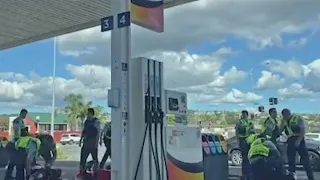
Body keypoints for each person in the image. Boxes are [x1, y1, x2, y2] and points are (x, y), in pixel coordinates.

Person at [280, 109, 314, 180]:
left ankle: (311, 178)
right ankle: (291, 177)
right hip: (290, 140)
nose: (284, 117)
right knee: (291, 161)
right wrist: (282, 123)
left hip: (299, 140)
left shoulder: (297, 118)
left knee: (305, 161)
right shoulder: (284, 121)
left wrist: (298, 141)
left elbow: (302, 130)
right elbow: (280, 130)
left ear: (287, 114)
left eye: (285, 116)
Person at [78, 108, 101, 179]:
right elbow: (84, 131)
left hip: (93, 142)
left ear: (91, 113)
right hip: (86, 142)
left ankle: (96, 173)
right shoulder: (86, 122)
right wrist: (80, 139)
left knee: (94, 158)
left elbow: (98, 132)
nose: (87, 115)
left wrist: (97, 142)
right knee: (83, 158)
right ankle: (82, 172)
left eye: (88, 113)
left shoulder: (96, 121)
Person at [235, 110, 255, 180]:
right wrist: (237, 141)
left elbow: (253, 131)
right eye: (243, 114)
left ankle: (249, 172)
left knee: (249, 157)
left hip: (249, 140)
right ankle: (244, 173)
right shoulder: (239, 122)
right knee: (245, 157)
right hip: (242, 140)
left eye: (245, 114)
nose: (244, 115)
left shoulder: (250, 122)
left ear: (247, 115)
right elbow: (236, 132)